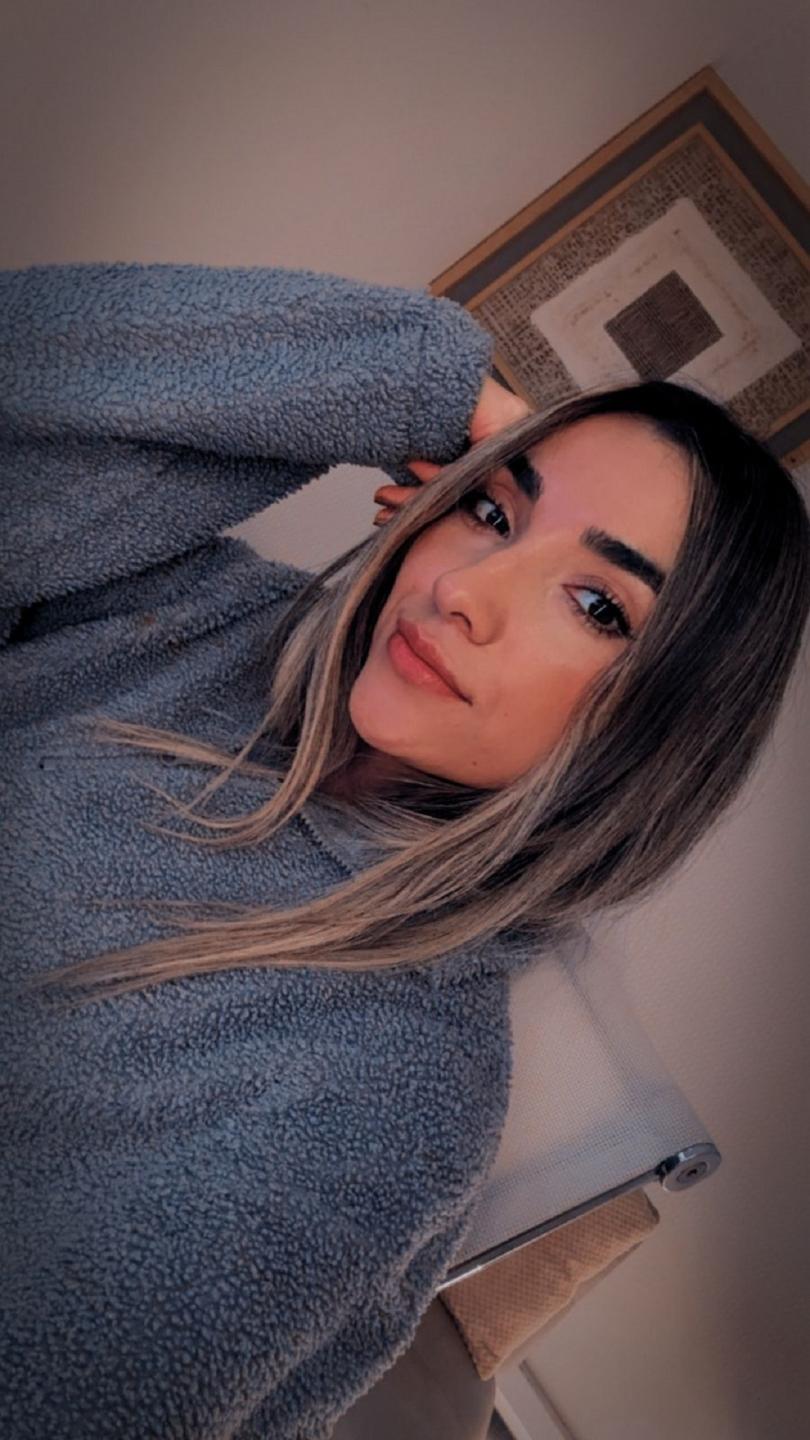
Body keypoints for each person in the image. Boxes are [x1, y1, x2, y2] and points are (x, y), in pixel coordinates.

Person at [1, 261, 807, 1440]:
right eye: (494, 511)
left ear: (659, 729)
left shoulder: (387, 1108)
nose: (470, 588)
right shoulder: (202, 616)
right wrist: (425, 388)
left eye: (598, 606)